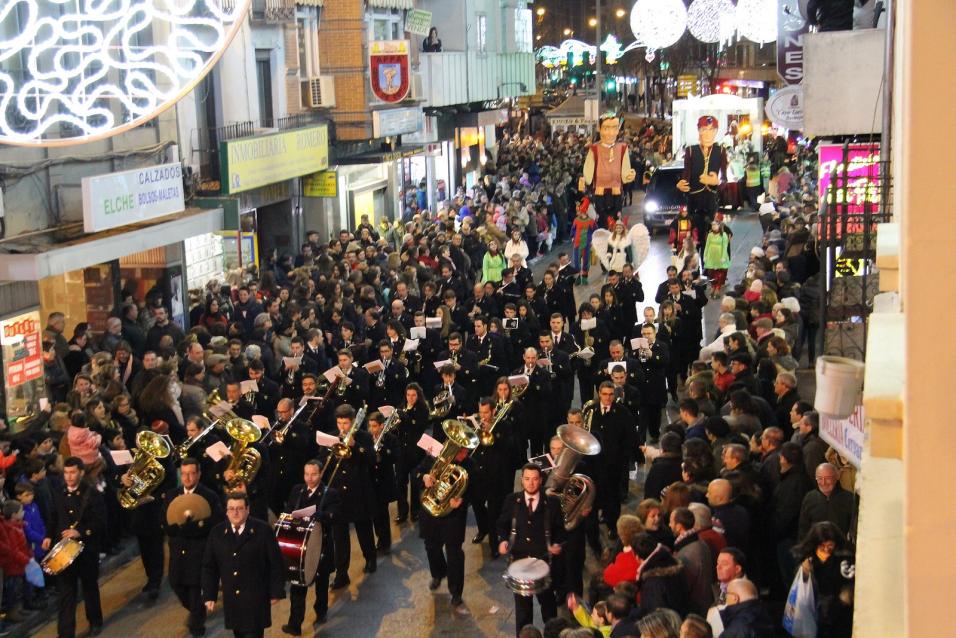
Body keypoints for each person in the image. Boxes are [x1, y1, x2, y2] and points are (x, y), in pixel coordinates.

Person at [202, 492, 285, 638]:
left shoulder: (263, 530)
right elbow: (210, 567)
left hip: (255, 600)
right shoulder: (217, 533)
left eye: (239, 508)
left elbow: (276, 563)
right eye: (231, 508)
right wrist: (209, 594)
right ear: (226, 511)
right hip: (233, 602)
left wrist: (276, 591)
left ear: (248, 509)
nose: (235, 512)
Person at [497, 463, 566, 636]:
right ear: (522, 480)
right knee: (522, 613)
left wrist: (557, 544)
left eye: (535, 479)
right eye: (527, 479)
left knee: (549, 609)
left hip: (544, 563)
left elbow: (560, 530)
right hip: (519, 564)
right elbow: (502, 524)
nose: (531, 483)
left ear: (541, 480)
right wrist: (503, 540)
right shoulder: (512, 500)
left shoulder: (552, 502)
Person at [44, 457, 106, 638]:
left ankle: (95, 621)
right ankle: (65, 633)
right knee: (66, 593)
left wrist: (81, 532)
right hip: (64, 551)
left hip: (86, 550)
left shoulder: (92, 494)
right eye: (66, 473)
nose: (69, 477)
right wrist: (48, 536)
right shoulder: (58, 492)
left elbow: (100, 522)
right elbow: (53, 516)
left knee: (89, 587)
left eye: (72, 473)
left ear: (81, 473)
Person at [164, 457, 224, 638]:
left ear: (198, 474)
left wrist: (196, 527)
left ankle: (198, 625)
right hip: (178, 549)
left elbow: (216, 521)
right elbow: (165, 521)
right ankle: (197, 610)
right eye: (184, 474)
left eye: (191, 473)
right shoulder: (172, 495)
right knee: (176, 583)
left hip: (199, 549)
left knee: (195, 587)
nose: (188, 478)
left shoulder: (209, 495)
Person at [415, 430, 475, 610]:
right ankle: (438, 573)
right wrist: (424, 477)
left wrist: (462, 501)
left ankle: (456, 591)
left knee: (455, 553)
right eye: (462, 450)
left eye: (466, 451)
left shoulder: (470, 465)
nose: (465, 454)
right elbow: (416, 473)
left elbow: (478, 490)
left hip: (454, 517)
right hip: (430, 512)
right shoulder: (435, 458)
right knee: (431, 546)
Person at [281, 460, 340, 636]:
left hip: (321, 548)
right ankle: (295, 624)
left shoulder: (330, 494)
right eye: (307, 474)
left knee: (321, 585)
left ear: (321, 474)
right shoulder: (297, 490)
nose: (310, 478)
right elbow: (289, 511)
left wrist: (319, 514)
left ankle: (321, 612)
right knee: (298, 586)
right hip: (299, 549)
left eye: (314, 474)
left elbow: (335, 516)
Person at [325, 404, 377, 588]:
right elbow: (325, 463)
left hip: (359, 491)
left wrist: (355, 447)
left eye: (345, 423)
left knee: (364, 529)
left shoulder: (364, 437)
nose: (342, 427)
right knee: (339, 536)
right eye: (339, 423)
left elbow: (371, 459)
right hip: (338, 493)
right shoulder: (332, 436)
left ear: (353, 421)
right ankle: (341, 574)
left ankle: (370, 558)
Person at [792, 521, 855, 638]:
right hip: (815, 616)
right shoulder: (808, 559)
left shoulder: (845, 557)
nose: (826, 549)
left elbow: (849, 583)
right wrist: (804, 573)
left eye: (830, 545)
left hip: (840, 614)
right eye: (822, 546)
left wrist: (846, 595)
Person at [798, 462, 857, 541]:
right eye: (819, 478)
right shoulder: (810, 497)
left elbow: (853, 530)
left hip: (840, 549)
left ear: (837, 477)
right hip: (816, 549)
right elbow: (803, 529)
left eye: (828, 478)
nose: (823, 482)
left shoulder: (849, 499)